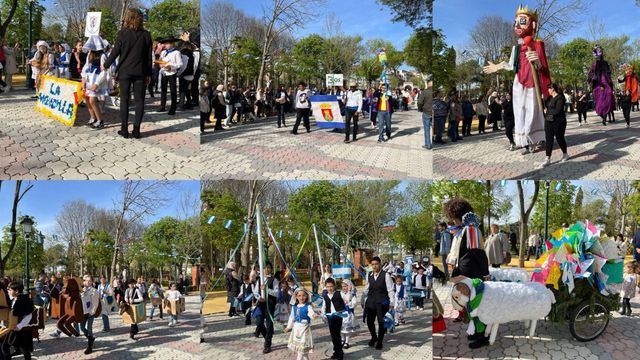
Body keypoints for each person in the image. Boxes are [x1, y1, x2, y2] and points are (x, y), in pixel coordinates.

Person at [483, 6, 550, 155]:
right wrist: (498, 66)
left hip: (533, 84)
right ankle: (525, 143)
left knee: (533, 111)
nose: (517, 25)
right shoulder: (516, 48)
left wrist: (537, 62)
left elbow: (543, 67)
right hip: (519, 83)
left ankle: (538, 138)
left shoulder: (538, 44)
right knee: (520, 112)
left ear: (533, 25)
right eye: (516, 22)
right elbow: (511, 64)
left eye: (522, 21)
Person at [103, 9, 153, 139]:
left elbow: (115, 51)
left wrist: (106, 64)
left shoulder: (122, 33)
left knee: (124, 101)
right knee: (139, 101)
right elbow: (149, 58)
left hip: (125, 71)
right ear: (140, 19)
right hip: (141, 72)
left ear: (128, 18)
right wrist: (148, 74)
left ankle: (124, 130)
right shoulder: (146, 35)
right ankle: (136, 131)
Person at [363, 256, 395, 350]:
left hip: (382, 302)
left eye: (376, 264)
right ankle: (374, 337)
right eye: (372, 264)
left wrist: (392, 302)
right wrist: (362, 297)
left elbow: (390, 290)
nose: (374, 266)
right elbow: (366, 288)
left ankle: (380, 341)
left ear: (380, 264)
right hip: (371, 302)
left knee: (381, 322)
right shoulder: (369, 275)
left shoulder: (386, 275)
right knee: (369, 321)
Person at [81, 36, 109, 129]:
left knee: (93, 100)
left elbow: (104, 71)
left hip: (97, 80)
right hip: (89, 79)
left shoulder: (103, 55)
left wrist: (97, 83)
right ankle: (93, 118)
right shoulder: (90, 54)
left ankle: (100, 120)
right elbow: (86, 66)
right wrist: (83, 77)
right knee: (87, 99)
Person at [283, 288, 319, 360]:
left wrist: (314, 315)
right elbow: (292, 317)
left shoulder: (308, 306)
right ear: (296, 296)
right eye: (299, 295)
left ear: (306, 296)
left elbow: (311, 313)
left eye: (303, 295)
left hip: (304, 329)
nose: (301, 297)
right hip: (296, 329)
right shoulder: (294, 307)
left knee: (301, 350)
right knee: (303, 352)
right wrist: (288, 327)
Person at [253, 262, 279, 353]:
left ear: (271, 269)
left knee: (269, 325)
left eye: (269, 267)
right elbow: (255, 292)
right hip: (261, 304)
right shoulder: (259, 279)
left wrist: (267, 289)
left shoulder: (274, 279)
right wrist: (259, 298)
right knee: (259, 322)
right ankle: (266, 337)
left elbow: (276, 293)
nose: (267, 269)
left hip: (270, 305)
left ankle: (267, 345)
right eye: (265, 267)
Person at [542, 83, 569, 167]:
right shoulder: (549, 98)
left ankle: (565, 154)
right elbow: (545, 105)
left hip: (559, 122)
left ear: (553, 89)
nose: (548, 90)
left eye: (549, 89)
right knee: (549, 139)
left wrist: (548, 112)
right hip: (549, 121)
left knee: (559, 138)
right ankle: (548, 158)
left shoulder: (560, 97)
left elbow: (558, 110)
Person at [5, 282, 34, 360]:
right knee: (19, 346)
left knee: (24, 349)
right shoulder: (14, 299)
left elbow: (28, 315)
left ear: (17, 291)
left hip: (21, 329)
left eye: (10, 290)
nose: (8, 291)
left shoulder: (24, 300)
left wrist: (19, 326)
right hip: (15, 327)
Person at [589, 46, 614, 126]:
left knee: (608, 100)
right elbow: (591, 74)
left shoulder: (605, 63)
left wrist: (609, 83)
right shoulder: (594, 64)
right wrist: (593, 78)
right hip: (598, 85)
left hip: (606, 84)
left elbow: (609, 73)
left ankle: (605, 118)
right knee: (599, 103)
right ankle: (602, 116)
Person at [157, 37, 183, 116]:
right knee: (163, 90)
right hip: (164, 73)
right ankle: (162, 106)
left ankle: (173, 108)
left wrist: (171, 67)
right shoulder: (163, 52)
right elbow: (160, 61)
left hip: (172, 73)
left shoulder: (176, 52)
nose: (166, 45)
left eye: (167, 43)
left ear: (172, 44)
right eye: (165, 44)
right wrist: (160, 64)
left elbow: (180, 64)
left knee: (173, 91)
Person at [322, 278, 345, 360]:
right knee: (333, 335)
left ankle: (340, 353)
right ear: (325, 287)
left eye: (331, 286)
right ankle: (336, 351)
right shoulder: (325, 296)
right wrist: (323, 316)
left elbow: (347, 299)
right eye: (328, 287)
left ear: (334, 286)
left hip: (338, 316)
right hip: (330, 317)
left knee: (337, 335)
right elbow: (323, 307)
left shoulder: (339, 293)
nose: (329, 288)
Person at [80, 275, 99, 354]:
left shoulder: (94, 291)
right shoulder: (82, 290)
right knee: (82, 328)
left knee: (89, 328)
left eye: (89, 280)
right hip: (83, 312)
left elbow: (95, 303)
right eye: (86, 280)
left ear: (92, 282)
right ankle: (90, 338)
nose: (87, 282)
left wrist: (92, 312)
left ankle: (89, 347)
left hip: (90, 313)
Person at [339, 279, 357, 349]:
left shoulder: (352, 295)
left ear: (349, 286)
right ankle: (342, 339)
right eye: (342, 286)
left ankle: (347, 341)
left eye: (345, 286)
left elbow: (354, 304)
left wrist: (348, 302)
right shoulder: (340, 293)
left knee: (347, 329)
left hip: (348, 314)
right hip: (341, 313)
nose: (344, 288)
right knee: (341, 328)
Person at [417, 79, 433, 149]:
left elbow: (420, 102)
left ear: (428, 84)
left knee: (427, 129)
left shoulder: (425, 92)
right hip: (433, 112)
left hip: (426, 112)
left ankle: (428, 144)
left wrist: (420, 109)